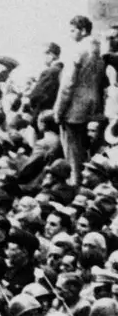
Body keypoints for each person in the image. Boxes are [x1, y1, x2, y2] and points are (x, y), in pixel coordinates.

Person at [55, 17, 105, 188]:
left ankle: (75, 186)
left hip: (74, 108)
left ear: (83, 30)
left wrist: (59, 110)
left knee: (72, 153)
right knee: (86, 150)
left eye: (73, 30)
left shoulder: (77, 51)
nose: (70, 35)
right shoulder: (98, 52)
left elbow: (68, 84)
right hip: (92, 106)